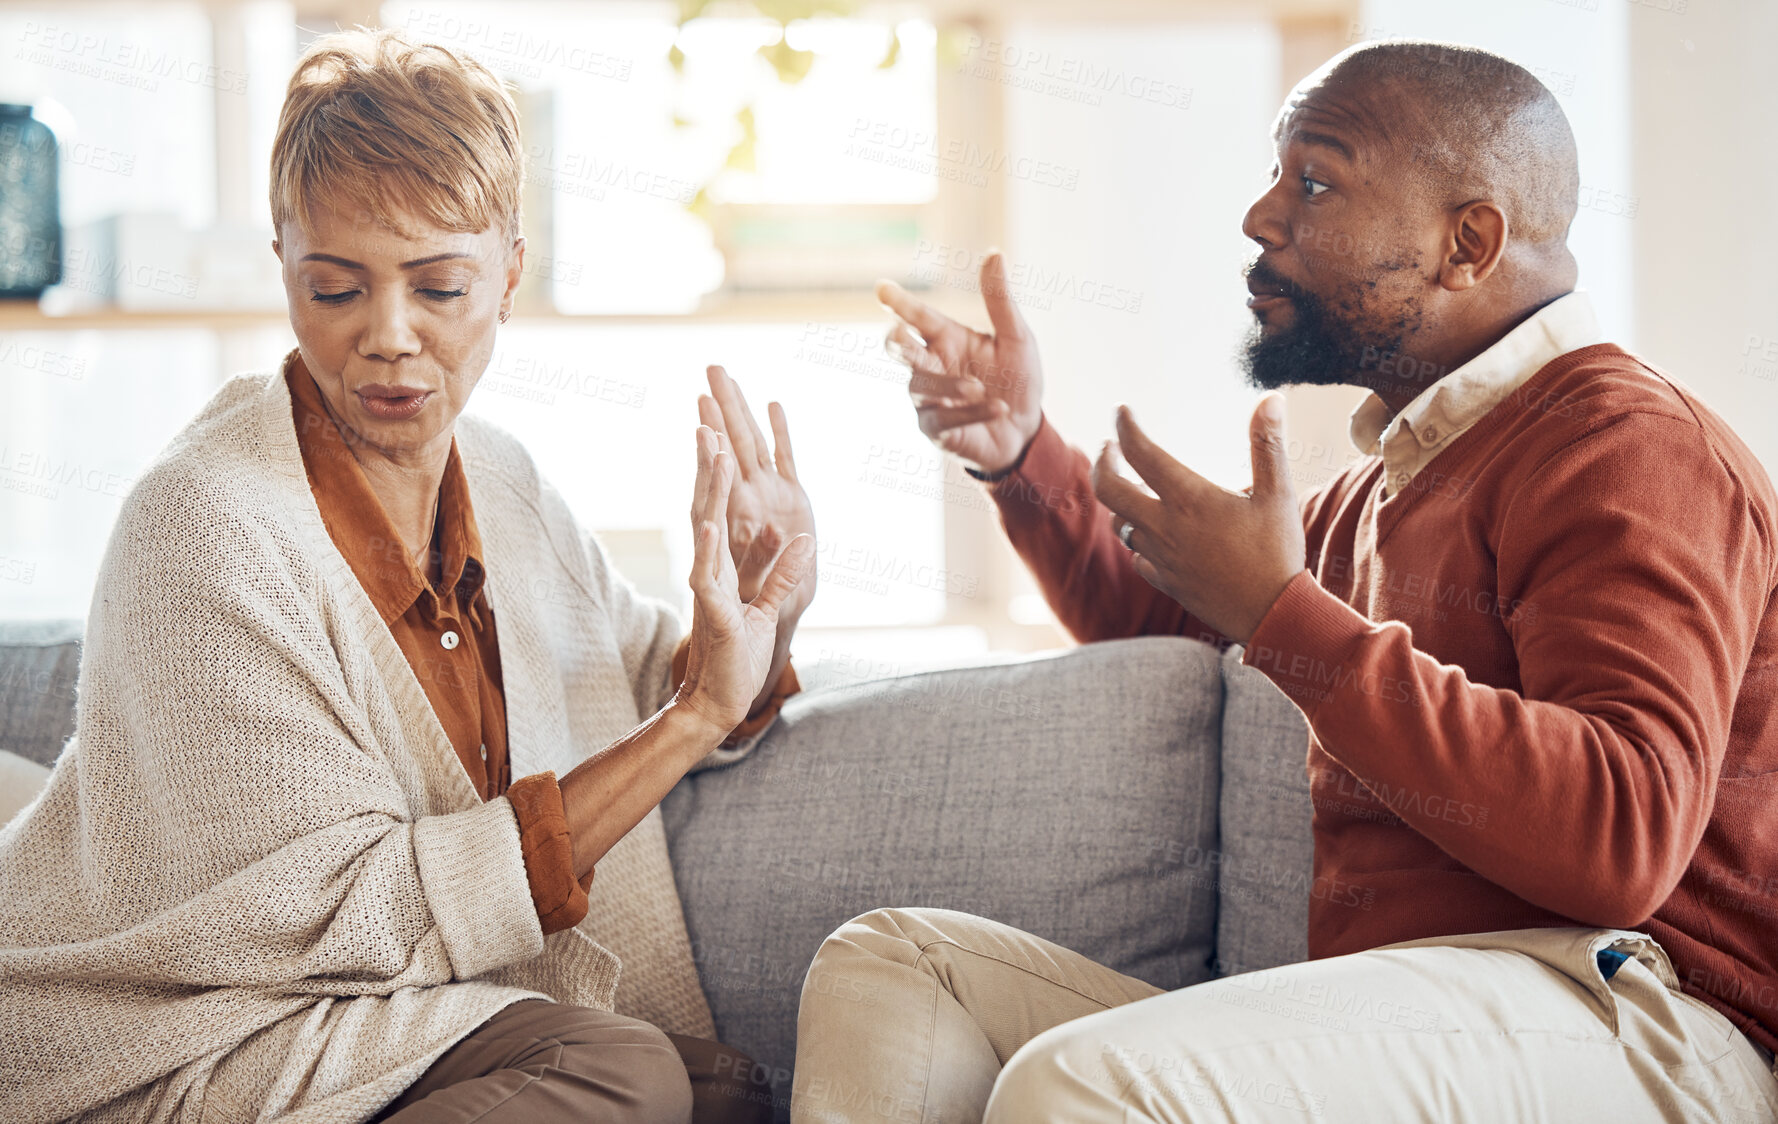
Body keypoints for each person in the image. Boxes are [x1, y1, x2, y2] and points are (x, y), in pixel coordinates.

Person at [793, 39, 1778, 1122]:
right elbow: (1167, 608)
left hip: (1641, 1020)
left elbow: (1618, 832)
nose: (1260, 218)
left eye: (1312, 179)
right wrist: (1019, 450)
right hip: (1406, 1009)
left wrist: (1283, 615)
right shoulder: (1387, 484)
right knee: (894, 963)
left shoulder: (1625, 447)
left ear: (1468, 241)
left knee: (1074, 1082)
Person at [0, 27, 812, 1124]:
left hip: (384, 1010)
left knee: (719, 1087)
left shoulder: (509, 486)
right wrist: (691, 714)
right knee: (624, 1074)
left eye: (438, 286)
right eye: (335, 289)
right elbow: (349, 914)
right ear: (283, 260)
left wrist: (754, 625)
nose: (388, 337)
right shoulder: (201, 523)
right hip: (189, 1028)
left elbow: (626, 677)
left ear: (509, 275)